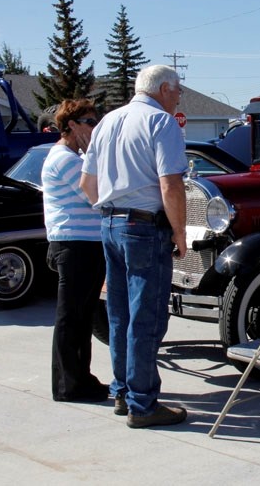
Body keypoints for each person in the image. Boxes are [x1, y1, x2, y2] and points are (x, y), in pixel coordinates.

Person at [80, 65, 189, 429]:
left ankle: (124, 392)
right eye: (177, 91)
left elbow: (86, 183)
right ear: (162, 89)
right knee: (146, 317)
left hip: (110, 222)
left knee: (120, 314)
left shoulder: (109, 121)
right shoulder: (161, 123)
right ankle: (143, 404)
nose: (178, 98)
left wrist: (108, 210)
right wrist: (179, 231)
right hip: (143, 227)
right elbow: (170, 184)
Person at [41, 99, 107, 402]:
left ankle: (82, 378)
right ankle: (68, 385)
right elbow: (95, 195)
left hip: (85, 245)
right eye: (90, 122)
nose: (95, 127)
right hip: (74, 245)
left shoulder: (73, 156)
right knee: (70, 317)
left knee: (82, 317)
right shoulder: (65, 159)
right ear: (71, 125)